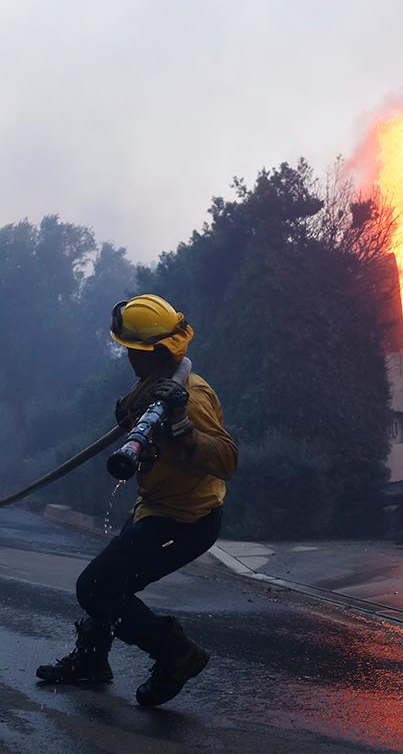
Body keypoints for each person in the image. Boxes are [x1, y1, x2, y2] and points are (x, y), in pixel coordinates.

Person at [37, 294, 238, 708]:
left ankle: (178, 653)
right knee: (114, 582)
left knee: (95, 586)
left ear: (153, 352)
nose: (127, 356)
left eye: (132, 349)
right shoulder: (155, 383)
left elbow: (229, 460)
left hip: (185, 520)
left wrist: (185, 430)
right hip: (156, 509)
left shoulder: (191, 398)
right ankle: (92, 660)